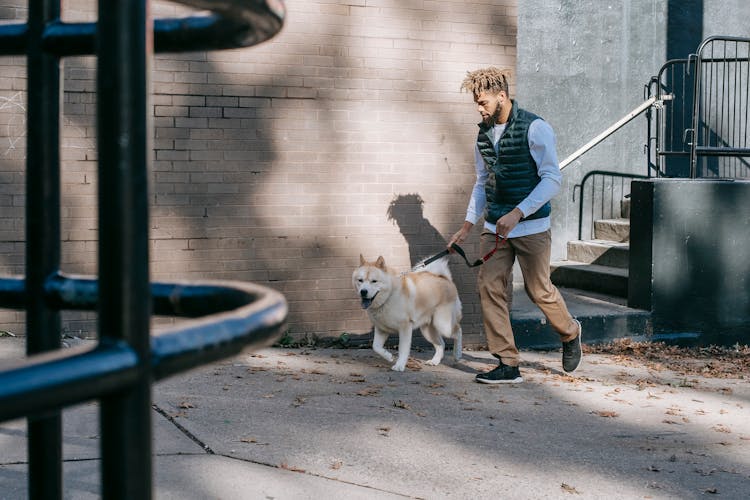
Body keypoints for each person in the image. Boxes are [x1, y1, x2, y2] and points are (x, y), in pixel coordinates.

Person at [448, 67, 582, 384]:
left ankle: (570, 331)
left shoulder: (535, 128)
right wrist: (468, 225)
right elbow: (482, 183)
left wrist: (518, 213)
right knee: (489, 286)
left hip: (531, 226)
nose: (479, 110)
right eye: (476, 104)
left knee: (539, 291)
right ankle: (507, 362)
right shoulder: (483, 135)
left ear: (502, 96)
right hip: (495, 227)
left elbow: (552, 179)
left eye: (483, 102)